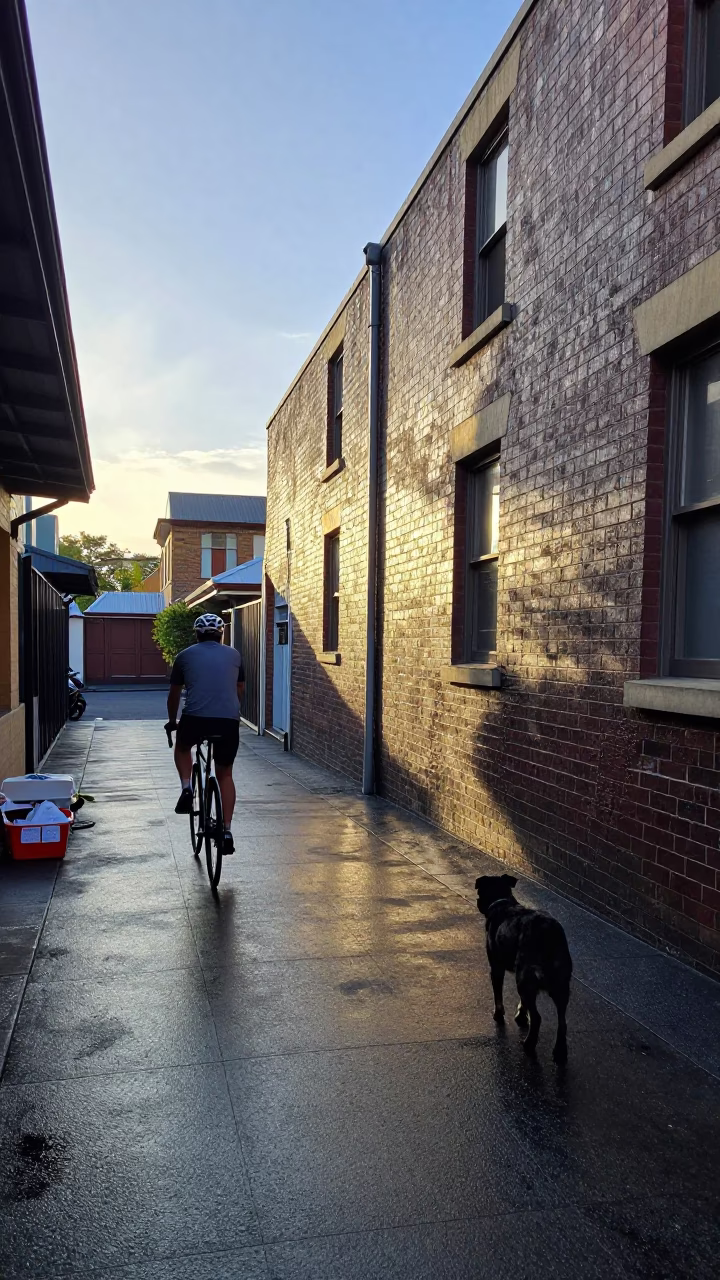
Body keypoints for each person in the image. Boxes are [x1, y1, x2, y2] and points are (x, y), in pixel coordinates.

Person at [165, 613, 244, 854]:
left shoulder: (184, 656)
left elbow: (174, 694)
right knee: (225, 774)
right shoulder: (234, 655)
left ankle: (187, 787)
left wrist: (172, 721)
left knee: (182, 747)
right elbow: (239, 688)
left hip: (195, 720)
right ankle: (227, 830)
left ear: (197, 634)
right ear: (221, 634)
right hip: (228, 722)